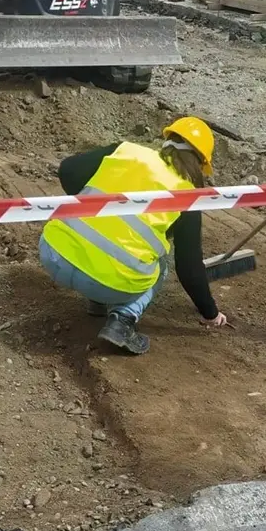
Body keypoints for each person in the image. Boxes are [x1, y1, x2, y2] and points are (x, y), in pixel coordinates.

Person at [39, 118, 228, 355]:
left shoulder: (127, 151)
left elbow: (68, 170)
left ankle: (97, 302)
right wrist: (211, 313)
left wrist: (90, 203)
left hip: (54, 255)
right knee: (160, 263)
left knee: (105, 239)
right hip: (107, 283)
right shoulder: (186, 194)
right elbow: (188, 267)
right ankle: (123, 319)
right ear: (200, 163)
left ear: (167, 141)